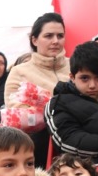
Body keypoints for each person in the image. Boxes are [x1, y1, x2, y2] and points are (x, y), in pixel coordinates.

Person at [4, 12, 70, 167]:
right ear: (34, 40)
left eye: (60, 36)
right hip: (38, 148)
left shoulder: (75, 65)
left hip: (77, 143)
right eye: (48, 36)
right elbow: (15, 111)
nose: (55, 41)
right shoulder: (19, 71)